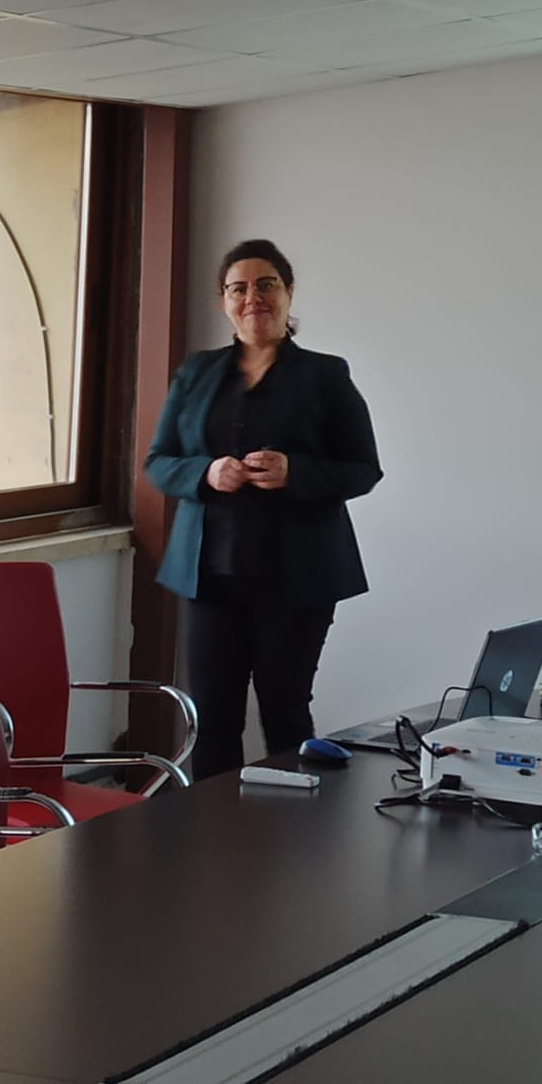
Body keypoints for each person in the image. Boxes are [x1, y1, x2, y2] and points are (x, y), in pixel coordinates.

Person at [145, 239, 381, 779]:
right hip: (210, 578)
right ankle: (212, 846)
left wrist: (295, 472)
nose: (254, 297)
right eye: (239, 288)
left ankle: (293, 847)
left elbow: (364, 468)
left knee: (285, 713)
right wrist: (206, 472)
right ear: (224, 302)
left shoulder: (326, 374)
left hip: (297, 578)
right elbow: (159, 462)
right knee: (213, 720)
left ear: (288, 293)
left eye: (267, 284)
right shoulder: (197, 373)